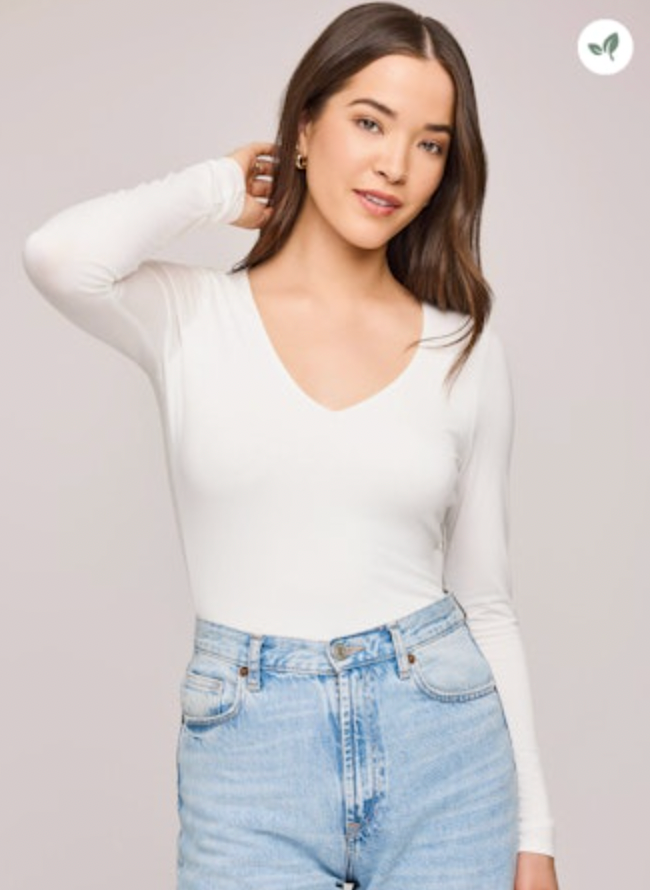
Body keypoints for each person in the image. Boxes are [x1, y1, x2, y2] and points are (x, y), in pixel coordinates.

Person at [23, 3, 560, 888]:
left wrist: (534, 834)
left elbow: (487, 603)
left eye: (430, 143)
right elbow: (57, 255)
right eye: (369, 122)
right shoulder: (192, 317)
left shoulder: (464, 350)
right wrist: (218, 187)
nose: (395, 165)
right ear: (304, 128)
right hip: (251, 757)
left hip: (444, 748)